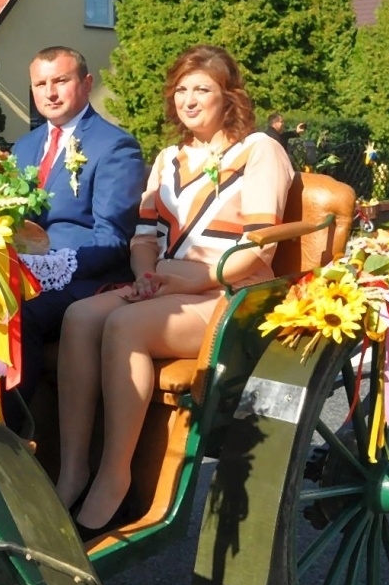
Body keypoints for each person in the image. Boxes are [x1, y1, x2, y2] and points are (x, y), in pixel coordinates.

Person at [55, 44, 294, 536]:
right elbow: (144, 237)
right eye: (181, 89)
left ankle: (113, 480)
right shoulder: (168, 158)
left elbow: (259, 249)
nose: (188, 100)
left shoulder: (260, 151)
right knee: (79, 317)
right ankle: (73, 468)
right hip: (166, 283)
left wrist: (195, 279)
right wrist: (148, 277)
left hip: (230, 292)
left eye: (202, 89)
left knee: (123, 325)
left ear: (229, 97)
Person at [0, 48, 144, 393]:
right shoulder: (24, 147)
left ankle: (13, 431)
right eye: (40, 84)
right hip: (17, 270)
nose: (50, 93)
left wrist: (54, 266)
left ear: (86, 84)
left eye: (61, 81)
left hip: (82, 278)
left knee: (18, 313)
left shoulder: (115, 146)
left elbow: (112, 240)